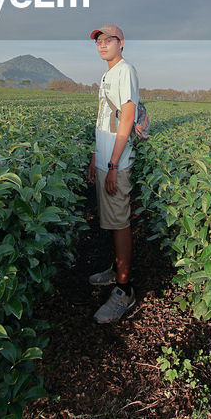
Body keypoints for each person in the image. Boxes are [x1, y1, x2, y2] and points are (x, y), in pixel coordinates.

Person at [87, 23, 139, 323]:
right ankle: (116, 267)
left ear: (122, 43)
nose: (103, 44)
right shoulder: (108, 74)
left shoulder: (125, 71)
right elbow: (108, 116)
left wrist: (113, 163)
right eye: (99, 41)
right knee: (112, 219)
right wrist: (98, 154)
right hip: (106, 159)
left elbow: (128, 115)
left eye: (109, 40)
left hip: (115, 163)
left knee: (120, 223)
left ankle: (124, 289)